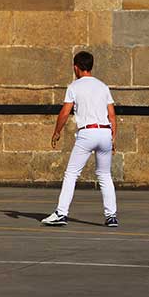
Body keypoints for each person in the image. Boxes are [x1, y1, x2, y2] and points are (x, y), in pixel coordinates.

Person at [41, 51, 118, 228]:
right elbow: (112, 115)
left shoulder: (74, 87)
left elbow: (65, 112)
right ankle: (111, 216)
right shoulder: (103, 86)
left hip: (87, 133)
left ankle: (61, 213)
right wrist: (113, 137)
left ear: (76, 67)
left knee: (71, 174)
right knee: (105, 175)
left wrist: (56, 132)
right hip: (105, 132)